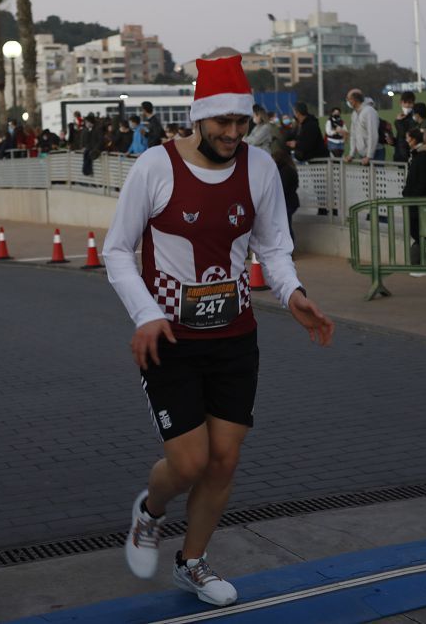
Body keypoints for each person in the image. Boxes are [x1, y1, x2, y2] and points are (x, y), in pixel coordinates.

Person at [102, 55, 333, 607]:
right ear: (198, 118)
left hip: (234, 337)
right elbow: (116, 250)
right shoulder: (154, 168)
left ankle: (193, 561)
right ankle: (150, 512)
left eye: (241, 122)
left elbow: (273, 246)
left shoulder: (259, 169)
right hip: (169, 340)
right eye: (221, 123)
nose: (233, 133)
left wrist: (293, 293)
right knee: (188, 463)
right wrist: (146, 314)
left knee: (224, 459)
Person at [403, 128, 426, 270]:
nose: (406, 141)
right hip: (414, 199)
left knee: (423, 232)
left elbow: (423, 180)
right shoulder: (416, 155)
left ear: (413, 139)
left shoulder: (423, 156)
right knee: (418, 231)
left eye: (408, 138)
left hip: (419, 200)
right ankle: (425, 263)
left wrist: (413, 194)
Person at [341, 89, 378, 165]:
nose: (348, 101)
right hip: (363, 155)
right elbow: (353, 135)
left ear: (354, 100)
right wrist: (351, 154)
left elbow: (373, 134)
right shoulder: (354, 114)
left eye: (348, 99)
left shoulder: (369, 111)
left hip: (374, 154)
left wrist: (369, 156)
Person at [272, 147, 300, 245]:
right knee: (286, 226)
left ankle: (288, 248)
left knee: (285, 227)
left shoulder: (285, 171)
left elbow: (282, 188)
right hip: (289, 202)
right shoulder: (288, 169)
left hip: (287, 203)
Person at [393, 91, 418, 163]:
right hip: (400, 157)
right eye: (405, 102)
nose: (407, 105)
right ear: (401, 103)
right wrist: (393, 141)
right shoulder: (402, 118)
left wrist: (397, 122)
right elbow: (401, 139)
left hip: (408, 158)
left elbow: (405, 135)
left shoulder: (414, 118)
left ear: (413, 104)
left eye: (410, 103)